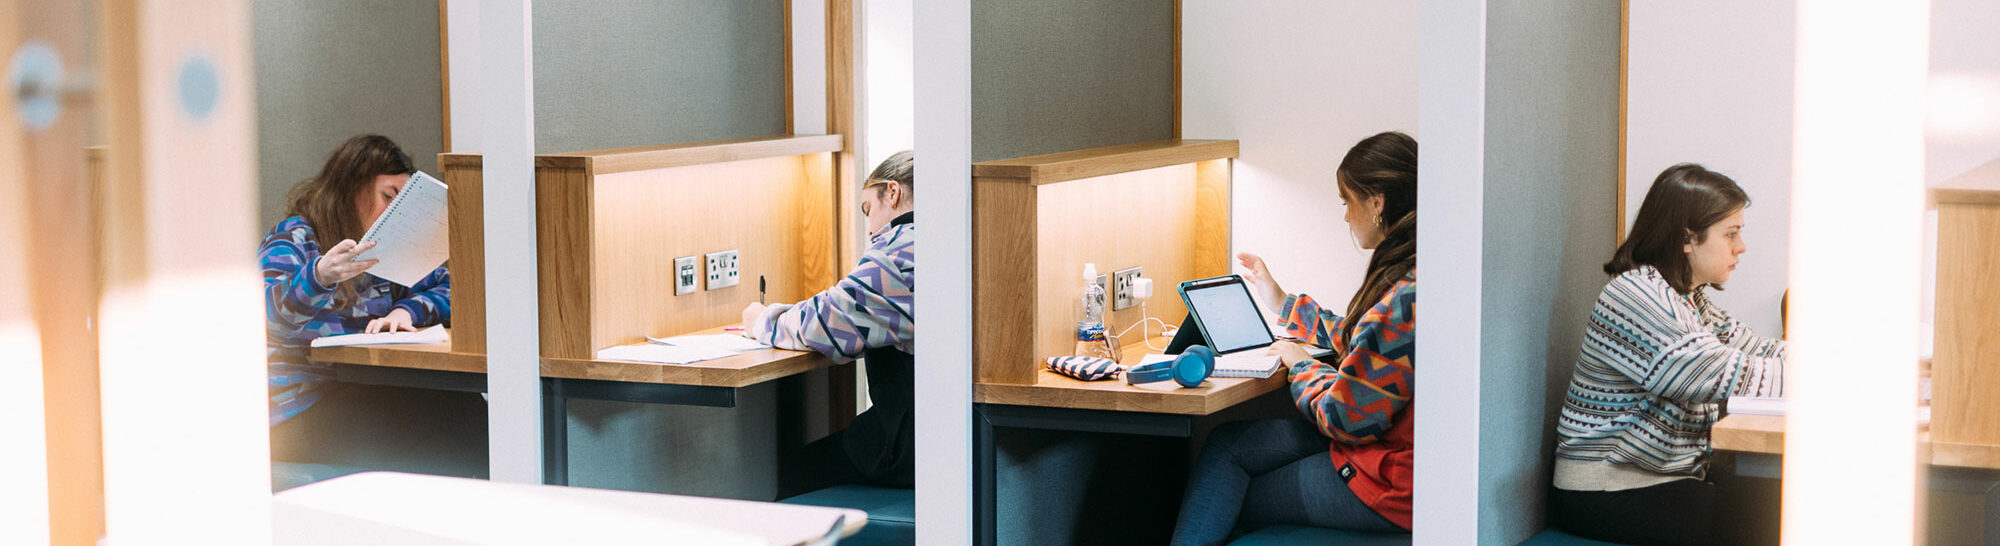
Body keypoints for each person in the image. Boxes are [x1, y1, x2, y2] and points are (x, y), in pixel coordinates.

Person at [1170, 132, 1418, 545]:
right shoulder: (1416, 271)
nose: (1345, 217)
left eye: (1347, 202)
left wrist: (1300, 365)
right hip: (1388, 454)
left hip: (1389, 484)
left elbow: (1345, 419)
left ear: (1376, 203)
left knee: (1235, 496)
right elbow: (1366, 341)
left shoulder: (1404, 298)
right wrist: (1282, 301)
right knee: (1227, 443)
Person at [1548, 163, 1784, 545]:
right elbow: (1724, 373)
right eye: (1731, 234)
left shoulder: (1687, 298)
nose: (1741, 246)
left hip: (1657, 479)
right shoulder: (1637, 296)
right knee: (1771, 515)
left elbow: (1755, 347)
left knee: (1775, 497)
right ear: (1688, 238)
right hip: (1606, 491)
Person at [262, 135, 481, 479]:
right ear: (352, 187)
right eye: (388, 198)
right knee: (456, 429)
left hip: (355, 389)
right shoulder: (294, 240)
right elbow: (262, 317)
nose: (394, 213)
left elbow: (453, 286)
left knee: (467, 413)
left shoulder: (382, 252)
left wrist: (408, 311)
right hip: (295, 408)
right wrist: (319, 276)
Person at [742, 151, 917, 498]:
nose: (869, 229)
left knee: (798, 470)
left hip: (911, 447)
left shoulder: (902, 252)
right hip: (959, 433)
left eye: (868, 209)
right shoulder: (958, 234)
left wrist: (761, 320)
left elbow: (822, 323)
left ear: (892, 193)